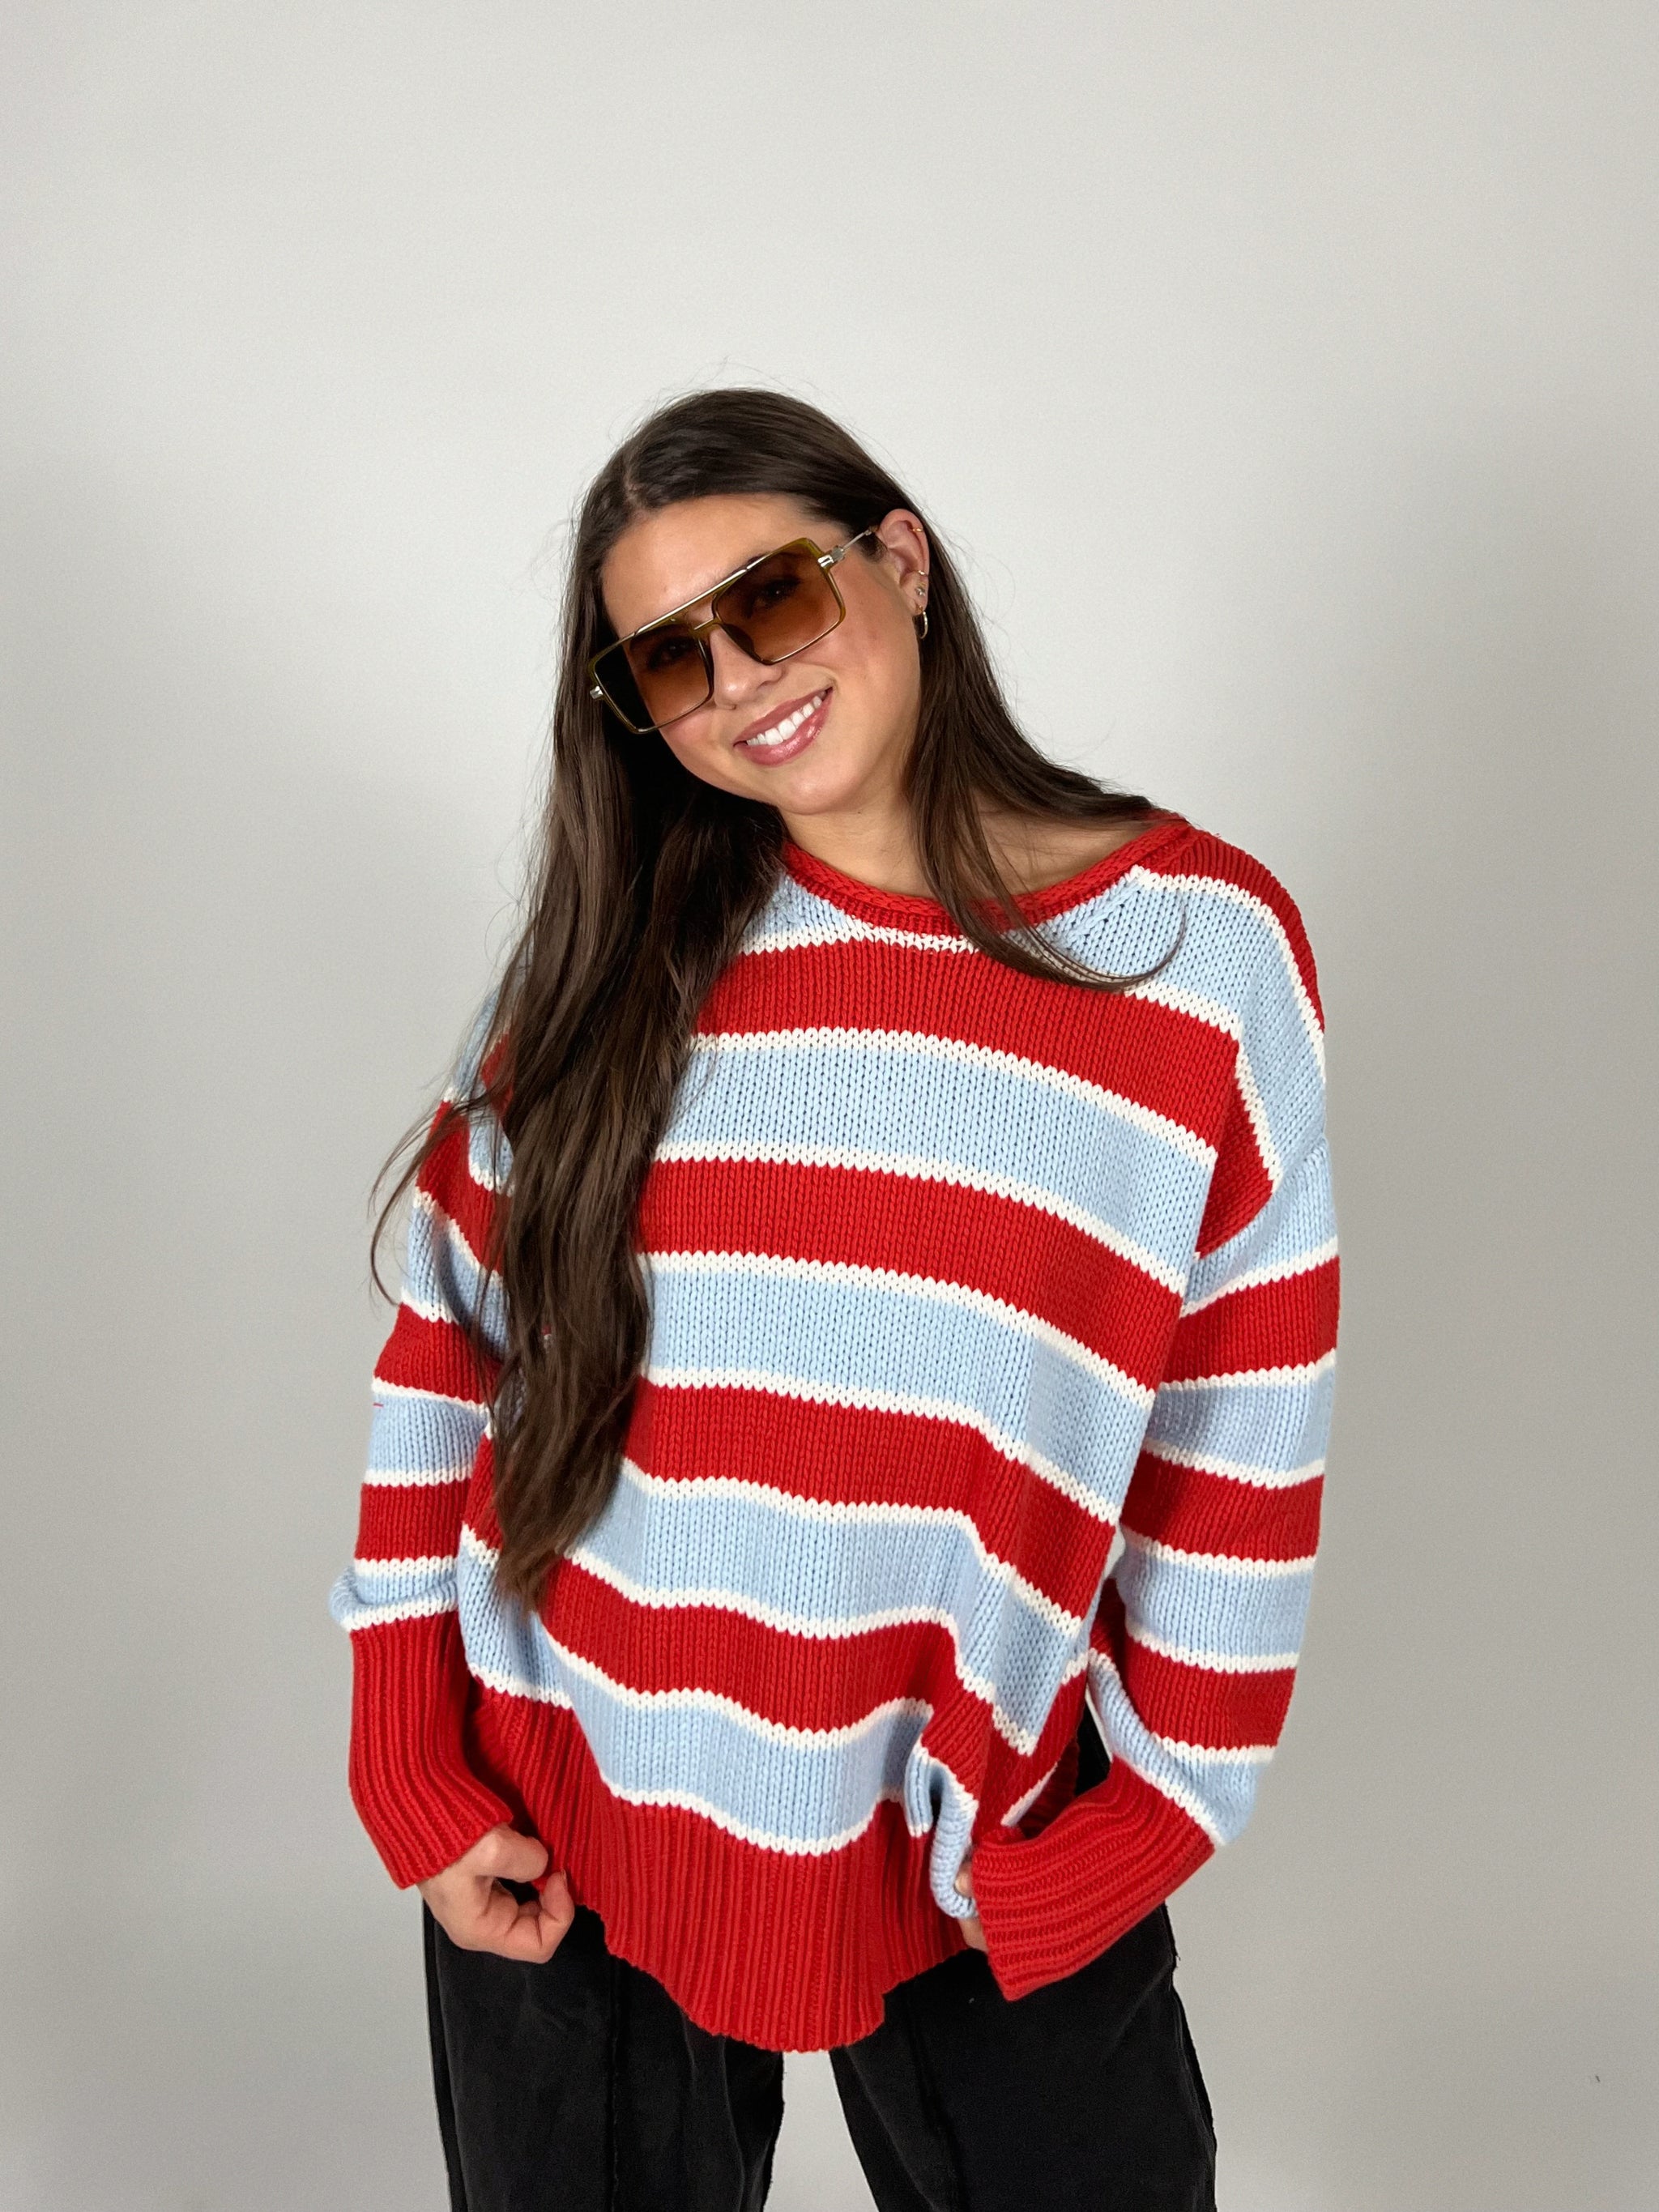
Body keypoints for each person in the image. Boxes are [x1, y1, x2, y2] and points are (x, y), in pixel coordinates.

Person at [330, 387, 1339, 2211]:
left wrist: (1151, 1814)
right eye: (669, 658)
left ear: (900, 561)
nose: (738, 681)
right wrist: (413, 1753)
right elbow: (448, 1346)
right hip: (567, 1794)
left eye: (773, 598)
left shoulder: (1196, 956)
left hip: (990, 1821)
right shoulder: (620, 953)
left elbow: (1242, 1419)